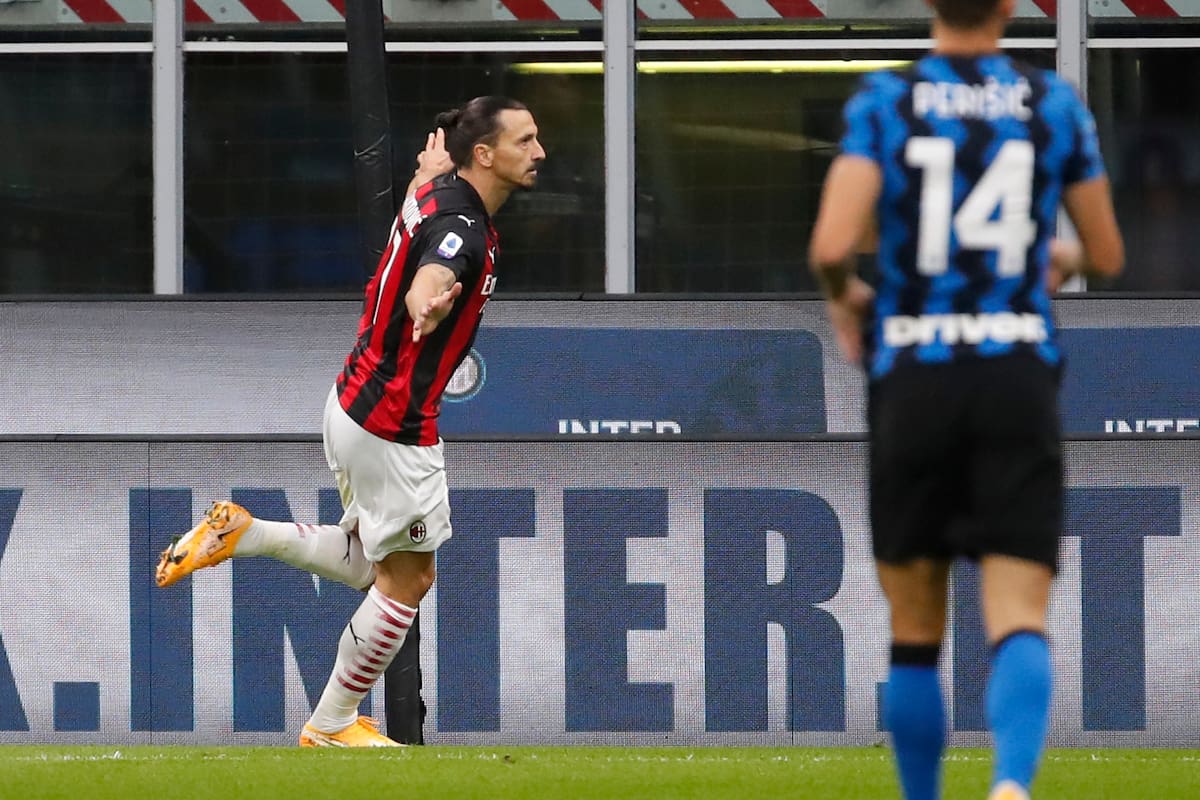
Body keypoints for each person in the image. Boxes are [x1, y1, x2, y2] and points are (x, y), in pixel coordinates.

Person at [155, 96, 546, 747]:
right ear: (485, 154)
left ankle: (244, 533)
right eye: (526, 140)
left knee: (374, 566)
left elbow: (423, 213)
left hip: (353, 401)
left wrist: (426, 173)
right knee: (409, 578)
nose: (539, 152)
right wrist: (428, 302)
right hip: (392, 420)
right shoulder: (464, 229)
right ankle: (331, 725)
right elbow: (434, 271)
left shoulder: (436, 191)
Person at [807, 2, 1123, 799]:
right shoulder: (1052, 100)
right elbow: (1109, 254)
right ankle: (1011, 784)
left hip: (915, 369)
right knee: (1018, 611)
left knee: (916, 634)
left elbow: (831, 248)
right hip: (1015, 369)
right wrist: (1059, 251)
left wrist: (847, 299)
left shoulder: (887, 99)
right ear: (1010, 7)